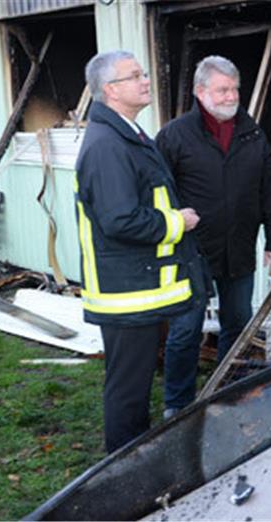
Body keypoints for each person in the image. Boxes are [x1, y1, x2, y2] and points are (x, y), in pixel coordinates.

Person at [75, 50, 209, 453]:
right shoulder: (106, 145)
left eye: (143, 73)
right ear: (111, 90)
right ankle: (121, 471)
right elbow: (119, 220)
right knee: (129, 390)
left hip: (140, 288)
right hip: (125, 295)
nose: (146, 80)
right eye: (135, 76)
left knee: (134, 386)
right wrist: (177, 223)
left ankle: (136, 460)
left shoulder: (126, 134)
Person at [156, 55, 271, 418]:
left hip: (239, 248)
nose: (231, 96)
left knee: (238, 322)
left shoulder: (252, 133)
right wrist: (170, 225)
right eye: (222, 89)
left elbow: (270, 191)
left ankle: (227, 390)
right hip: (191, 250)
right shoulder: (174, 136)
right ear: (201, 92)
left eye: (235, 89)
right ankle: (178, 404)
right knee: (186, 328)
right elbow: (155, 191)